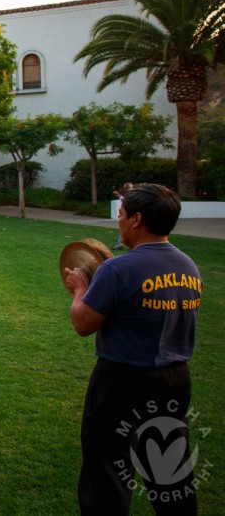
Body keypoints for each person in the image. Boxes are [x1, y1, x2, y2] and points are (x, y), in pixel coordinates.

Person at [62, 183, 202, 516]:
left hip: (122, 381)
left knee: (108, 468)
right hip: (175, 379)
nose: (120, 222)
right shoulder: (188, 266)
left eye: (121, 215)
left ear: (136, 219)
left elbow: (83, 323)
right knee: (170, 472)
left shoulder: (118, 269)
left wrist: (80, 289)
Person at [111, 182, 134, 250]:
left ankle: (122, 245)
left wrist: (118, 195)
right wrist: (121, 213)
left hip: (131, 215)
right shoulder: (132, 195)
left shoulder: (133, 196)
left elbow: (127, 201)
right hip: (129, 215)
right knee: (125, 229)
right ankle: (121, 245)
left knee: (129, 230)